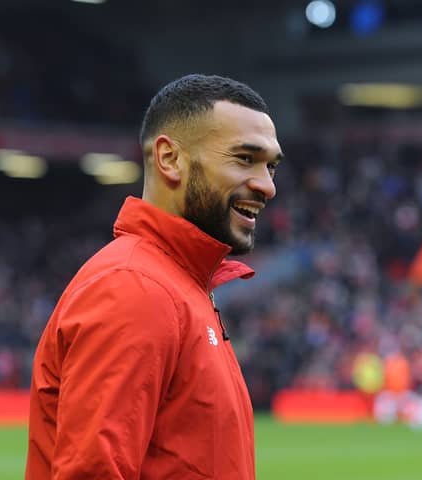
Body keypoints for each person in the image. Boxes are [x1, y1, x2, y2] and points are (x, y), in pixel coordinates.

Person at [25, 74, 284, 479]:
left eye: (271, 166)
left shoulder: (177, 285)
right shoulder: (136, 288)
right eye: (244, 159)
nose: (267, 186)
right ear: (169, 159)